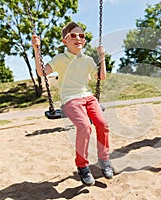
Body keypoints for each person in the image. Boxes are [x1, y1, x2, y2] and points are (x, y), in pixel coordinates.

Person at [32, 21, 113, 186]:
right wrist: (36, 49)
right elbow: (41, 72)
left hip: (89, 97)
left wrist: (102, 57)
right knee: (84, 126)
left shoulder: (88, 59)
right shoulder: (60, 59)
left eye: (81, 35)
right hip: (70, 99)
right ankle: (83, 166)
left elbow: (101, 77)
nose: (78, 38)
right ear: (65, 41)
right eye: (73, 35)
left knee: (102, 124)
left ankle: (104, 160)